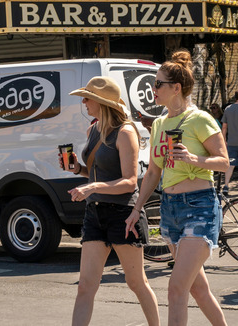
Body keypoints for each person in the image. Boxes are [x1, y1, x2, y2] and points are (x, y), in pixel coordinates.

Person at [125, 49, 229, 326]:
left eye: (157, 83)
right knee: (197, 288)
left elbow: (224, 162)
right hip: (171, 210)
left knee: (176, 287)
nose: (153, 88)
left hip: (199, 206)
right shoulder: (159, 124)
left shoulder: (200, 119)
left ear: (176, 88)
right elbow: (154, 172)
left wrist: (195, 158)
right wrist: (137, 208)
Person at [60, 76, 160, 326]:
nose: (83, 102)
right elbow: (95, 172)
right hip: (94, 213)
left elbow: (129, 181)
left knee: (136, 283)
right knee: (85, 287)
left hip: (122, 214)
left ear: (101, 102)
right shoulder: (93, 130)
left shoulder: (126, 132)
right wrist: (78, 170)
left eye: (87, 98)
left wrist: (93, 186)